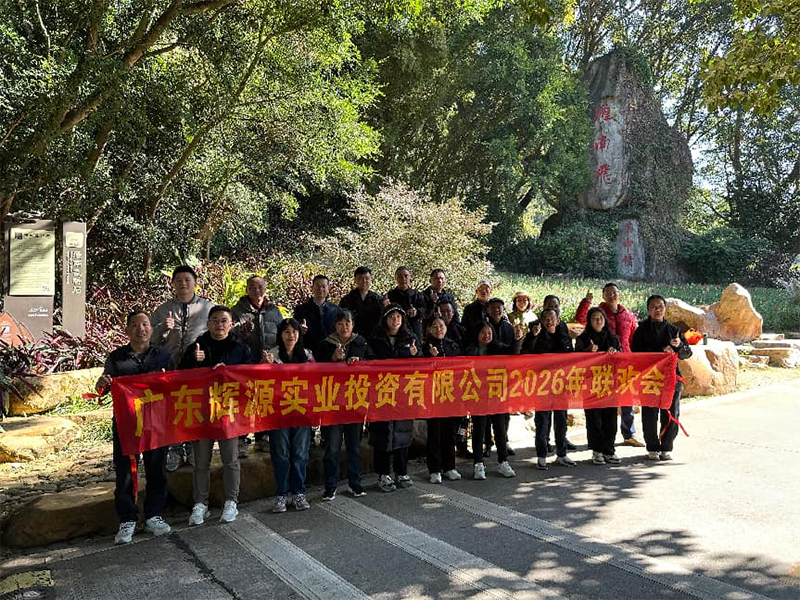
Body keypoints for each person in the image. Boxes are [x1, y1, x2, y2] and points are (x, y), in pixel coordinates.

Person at [96, 310, 174, 544]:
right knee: (125, 472)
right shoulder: (117, 358)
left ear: (151, 328)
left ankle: (154, 515)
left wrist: (166, 380)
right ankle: (127, 519)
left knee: (156, 468)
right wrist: (102, 383)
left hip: (156, 422)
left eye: (145, 324)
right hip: (127, 423)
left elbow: (176, 387)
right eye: (135, 325)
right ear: (127, 330)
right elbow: (102, 387)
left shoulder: (163, 356)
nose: (141, 329)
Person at [180, 305, 253, 526]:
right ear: (208, 323)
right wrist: (195, 361)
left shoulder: (241, 349)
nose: (219, 324)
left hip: (229, 412)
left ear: (231, 324)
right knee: (201, 461)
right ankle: (200, 504)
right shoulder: (196, 347)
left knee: (230, 460)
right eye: (215, 320)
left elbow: (250, 376)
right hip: (202, 412)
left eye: (223, 321)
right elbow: (181, 376)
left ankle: (231, 502)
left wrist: (229, 370)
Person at [150, 265, 213, 471]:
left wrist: (207, 357)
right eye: (178, 280)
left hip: (197, 369)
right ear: (173, 284)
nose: (183, 283)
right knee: (172, 410)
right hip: (170, 369)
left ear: (195, 282)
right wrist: (162, 328)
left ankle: (193, 448)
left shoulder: (208, 308)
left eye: (187, 279)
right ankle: (175, 449)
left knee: (194, 408)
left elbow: (219, 335)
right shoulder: (162, 310)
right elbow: (150, 340)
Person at [315, 309, 376, 501]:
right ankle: (330, 486)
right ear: (335, 325)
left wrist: (361, 361)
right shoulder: (326, 344)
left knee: (354, 447)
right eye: (340, 323)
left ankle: (355, 483)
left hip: (355, 402)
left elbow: (374, 364)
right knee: (332, 448)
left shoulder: (361, 342)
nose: (344, 327)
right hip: (332, 403)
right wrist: (333, 359)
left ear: (353, 324)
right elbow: (315, 369)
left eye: (347, 323)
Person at [575, 283, 644, 448]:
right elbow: (581, 318)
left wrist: (636, 358)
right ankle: (600, 442)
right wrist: (586, 302)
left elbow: (633, 338)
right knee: (605, 403)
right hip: (603, 368)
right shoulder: (599, 313)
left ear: (619, 294)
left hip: (625, 363)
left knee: (627, 399)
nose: (611, 295)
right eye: (608, 293)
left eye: (614, 292)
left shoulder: (627, 315)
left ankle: (629, 434)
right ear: (603, 295)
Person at [263, 318, 315, 513]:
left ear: (299, 334)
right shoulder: (272, 355)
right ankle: (281, 494)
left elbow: (317, 381)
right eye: (286, 332)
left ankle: (299, 492)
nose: (291, 335)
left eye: (294, 331)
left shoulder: (308, 356)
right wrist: (266, 366)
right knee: (281, 454)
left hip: (302, 412)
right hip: (279, 414)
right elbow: (261, 382)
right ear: (280, 335)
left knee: (300, 454)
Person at [631, 295, 692, 461]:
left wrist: (679, 346)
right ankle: (652, 447)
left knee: (671, 413)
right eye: (653, 307)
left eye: (660, 307)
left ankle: (666, 446)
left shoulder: (674, 330)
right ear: (648, 310)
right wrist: (659, 352)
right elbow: (635, 354)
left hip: (671, 379)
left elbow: (687, 353)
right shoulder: (641, 330)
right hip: (649, 378)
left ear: (665, 309)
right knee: (649, 414)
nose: (657, 310)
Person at [369, 304, 420, 492]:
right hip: (382, 392)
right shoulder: (375, 339)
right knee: (381, 432)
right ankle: (383, 474)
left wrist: (416, 355)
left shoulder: (411, 338)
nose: (395, 320)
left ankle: (402, 472)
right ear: (385, 319)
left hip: (403, 393)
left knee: (402, 432)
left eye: (399, 316)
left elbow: (422, 365)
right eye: (391, 316)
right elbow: (369, 361)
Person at [231, 275, 284, 455]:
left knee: (265, 400)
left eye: (260, 287)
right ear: (246, 289)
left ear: (265, 288)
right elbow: (230, 336)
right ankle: (241, 439)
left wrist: (274, 356)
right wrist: (242, 331)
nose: (256, 290)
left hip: (268, 365)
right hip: (245, 364)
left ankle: (263, 437)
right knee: (244, 402)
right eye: (252, 287)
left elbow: (282, 335)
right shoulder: (237, 310)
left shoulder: (274, 311)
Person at [465, 321, 522, 480]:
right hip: (478, 396)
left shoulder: (498, 347)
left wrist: (517, 339)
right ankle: (478, 464)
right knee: (478, 430)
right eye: (483, 332)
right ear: (477, 334)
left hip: (497, 394)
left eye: (489, 333)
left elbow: (513, 352)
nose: (486, 335)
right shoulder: (470, 349)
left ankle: (503, 462)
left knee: (500, 430)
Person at [521, 308, 575, 470]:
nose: (549, 321)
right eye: (545, 318)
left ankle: (561, 454)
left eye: (552, 318)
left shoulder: (564, 337)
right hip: (542, 387)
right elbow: (525, 354)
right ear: (541, 320)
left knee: (561, 421)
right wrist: (533, 337)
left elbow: (572, 360)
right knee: (542, 422)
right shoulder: (535, 335)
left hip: (561, 386)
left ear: (558, 321)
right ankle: (541, 456)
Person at [575, 307, 622, 465]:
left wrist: (616, 352)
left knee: (610, 419)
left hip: (610, 385)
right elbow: (575, 360)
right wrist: (588, 351)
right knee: (594, 420)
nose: (598, 321)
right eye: (594, 318)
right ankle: (597, 451)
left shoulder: (613, 338)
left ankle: (609, 450)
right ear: (589, 321)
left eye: (601, 318)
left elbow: (622, 358)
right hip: (591, 385)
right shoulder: (583, 338)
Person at [422, 315, 463, 484]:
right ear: (429, 329)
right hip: (432, 396)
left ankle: (449, 467)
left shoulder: (453, 345)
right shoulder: (424, 347)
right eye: (435, 326)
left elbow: (461, 367)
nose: (439, 329)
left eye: (442, 326)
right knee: (435, 433)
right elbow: (419, 370)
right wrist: (430, 358)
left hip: (450, 395)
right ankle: (434, 469)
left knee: (449, 432)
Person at [293, 274, 338, 353]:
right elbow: (294, 330)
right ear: (312, 288)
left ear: (328, 288)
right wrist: (300, 329)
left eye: (323, 286)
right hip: (308, 352)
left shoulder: (336, 310)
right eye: (317, 286)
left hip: (331, 352)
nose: (320, 289)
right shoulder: (301, 310)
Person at [338, 266, 384, 337]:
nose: (364, 281)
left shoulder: (377, 299)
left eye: (367, 278)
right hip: (353, 337)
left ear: (370, 280)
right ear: (355, 280)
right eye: (360, 278)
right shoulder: (347, 299)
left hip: (373, 337)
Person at [386, 266, 426, 339]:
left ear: (410, 277)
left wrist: (416, 312)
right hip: (396, 330)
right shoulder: (390, 295)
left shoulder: (417, 295)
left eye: (406, 276)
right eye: (400, 277)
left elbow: (424, 310)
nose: (403, 279)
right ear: (395, 279)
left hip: (414, 329)